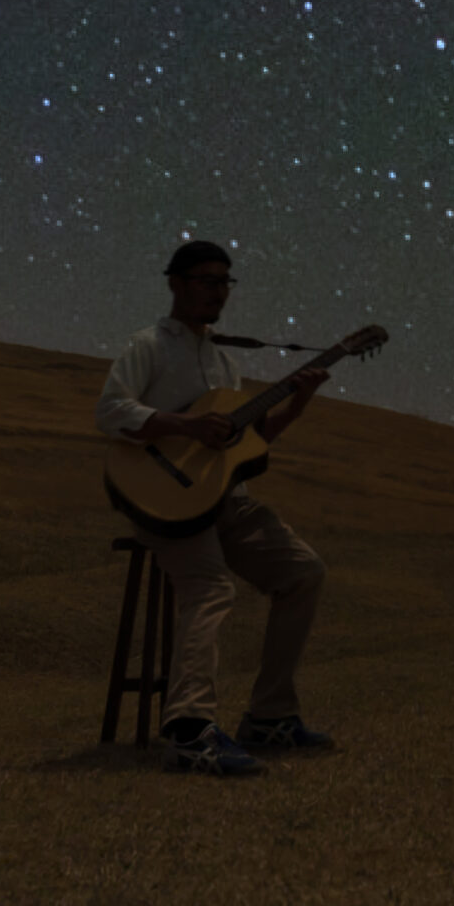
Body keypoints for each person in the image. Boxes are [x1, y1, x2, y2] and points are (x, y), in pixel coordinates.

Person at [96, 240, 334, 776]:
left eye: (224, 282)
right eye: (206, 281)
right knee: (211, 586)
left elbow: (247, 444)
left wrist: (298, 403)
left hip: (224, 501)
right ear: (176, 284)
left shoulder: (226, 363)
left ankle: (270, 716)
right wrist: (185, 425)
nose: (218, 292)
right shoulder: (149, 345)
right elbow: (110, 412)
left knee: (304, 572)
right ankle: (188, 730)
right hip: (163, 501)